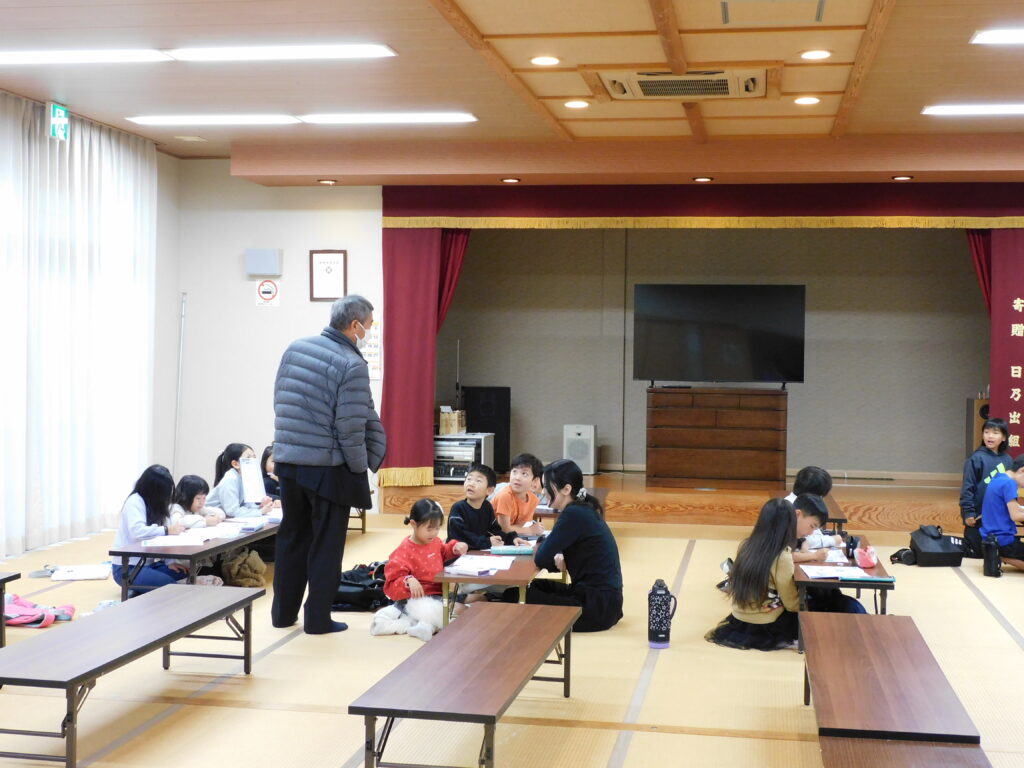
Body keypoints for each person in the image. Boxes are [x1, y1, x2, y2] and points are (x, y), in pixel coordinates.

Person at [272, 294, 387, 634]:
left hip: (288, 462)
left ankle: (282, 614)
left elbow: (280, 400)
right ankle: (318, 619)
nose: (370, 331)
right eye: (369, 325)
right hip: (327, 469)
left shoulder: (295, 348)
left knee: (292, 538)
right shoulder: (351, 364)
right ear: (355, 325)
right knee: (326, 545)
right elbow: (349, 427)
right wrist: (358, 469)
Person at [506, 459, 623, 632]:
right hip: (605, 602)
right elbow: (555, 544)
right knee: (537, 586)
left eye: (547, 486)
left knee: (514, 596)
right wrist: (556, 551)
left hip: (595, 608)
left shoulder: (573, 514)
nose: (543, 491)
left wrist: (549, 549)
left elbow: (542, 557)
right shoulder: (583, 509)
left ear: (566, 489)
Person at [706, 498, 800, 651]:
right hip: (765, 623)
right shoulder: (782, 556)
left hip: (738, 618)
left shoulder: (746, 545)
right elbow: (790, 601)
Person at [383, 499, 468, 640]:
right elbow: (391, 582)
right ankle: (424, 625)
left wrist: (454, 548)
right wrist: (408, 580)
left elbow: (442, 552)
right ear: (413, 524)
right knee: (460, 610)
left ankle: (426, 623)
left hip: (440, 592)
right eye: (429, 529)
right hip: (419, 599)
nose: (434, 533)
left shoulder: (434, 541)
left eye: (437, 528)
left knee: (479, 599)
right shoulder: (404, 550)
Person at [111, 465, 187, 593]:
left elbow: (167, 535)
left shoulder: (157, 504)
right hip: (128, 567)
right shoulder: (135, 501)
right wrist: (166, 530)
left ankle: (142, 590)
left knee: (185, 575)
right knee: (172, 588)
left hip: (149, 564)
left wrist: (170, 562)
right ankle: (139, 592)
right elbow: (137, 532)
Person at [791, 494, 866, 614]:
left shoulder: (793, 527)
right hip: (791, 603)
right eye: (812, 526)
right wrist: (814, 556)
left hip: (800, 595)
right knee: (845, 605)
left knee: (843, 601)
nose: (811, 533)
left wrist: (805, 546)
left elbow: (803, 541)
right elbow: (784, 557)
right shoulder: (780, 529)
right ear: (797, 514)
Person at [961, 417, 1012, 558]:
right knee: (977, 554)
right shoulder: (976, 458)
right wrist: (968, 513)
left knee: (996, 552)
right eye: (986, 432)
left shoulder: (1007, 460)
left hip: (998, 515)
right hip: (978, 516)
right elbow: (968, 487)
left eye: (995, 433)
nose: (990, 436)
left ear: (1004, 437)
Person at [979, 454, 1024, 571]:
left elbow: (1012, 508)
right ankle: (1001, 556)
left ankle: (999, 554)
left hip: (990, 538)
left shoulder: (999, 478)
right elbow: (1015, 515)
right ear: (1022, 470)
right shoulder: (1009, 483)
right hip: (1003, 541)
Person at [206, 443, 273, 518]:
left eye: (254, 458)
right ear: (235, 464)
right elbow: (232, 511)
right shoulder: (230, 479)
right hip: (209, 517)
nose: (253, 461)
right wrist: (260, 512)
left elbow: (247, 506)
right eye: (248, 458)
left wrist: (261, 506)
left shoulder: (246, 477)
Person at [492, 452, 545, 536]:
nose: (517, 477)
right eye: (514, 472)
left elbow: (518, 527)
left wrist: (526, 530)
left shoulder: (533, 500)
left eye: (524, 474)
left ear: (534, 481)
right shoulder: (505, 496)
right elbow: (504, 530)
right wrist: (530, 529)